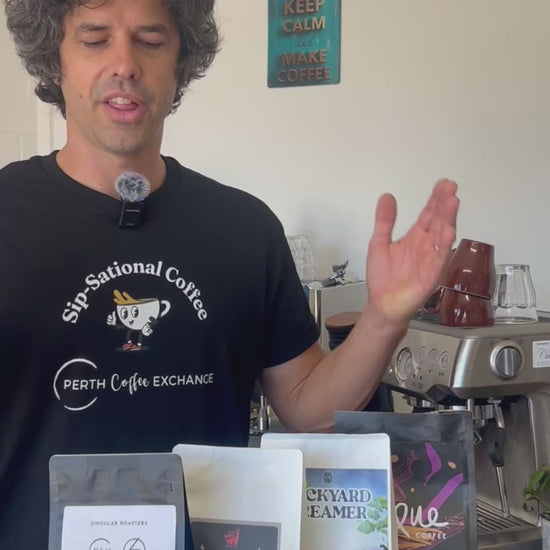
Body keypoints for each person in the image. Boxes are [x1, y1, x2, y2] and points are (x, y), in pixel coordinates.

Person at [0, 0, 459, 547]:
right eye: (95, 40)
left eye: (150, 41)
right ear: (55, 63)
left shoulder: (244, 228)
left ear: (180, 66)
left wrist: (384, 318)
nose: (124, 64)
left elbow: (308, 408)